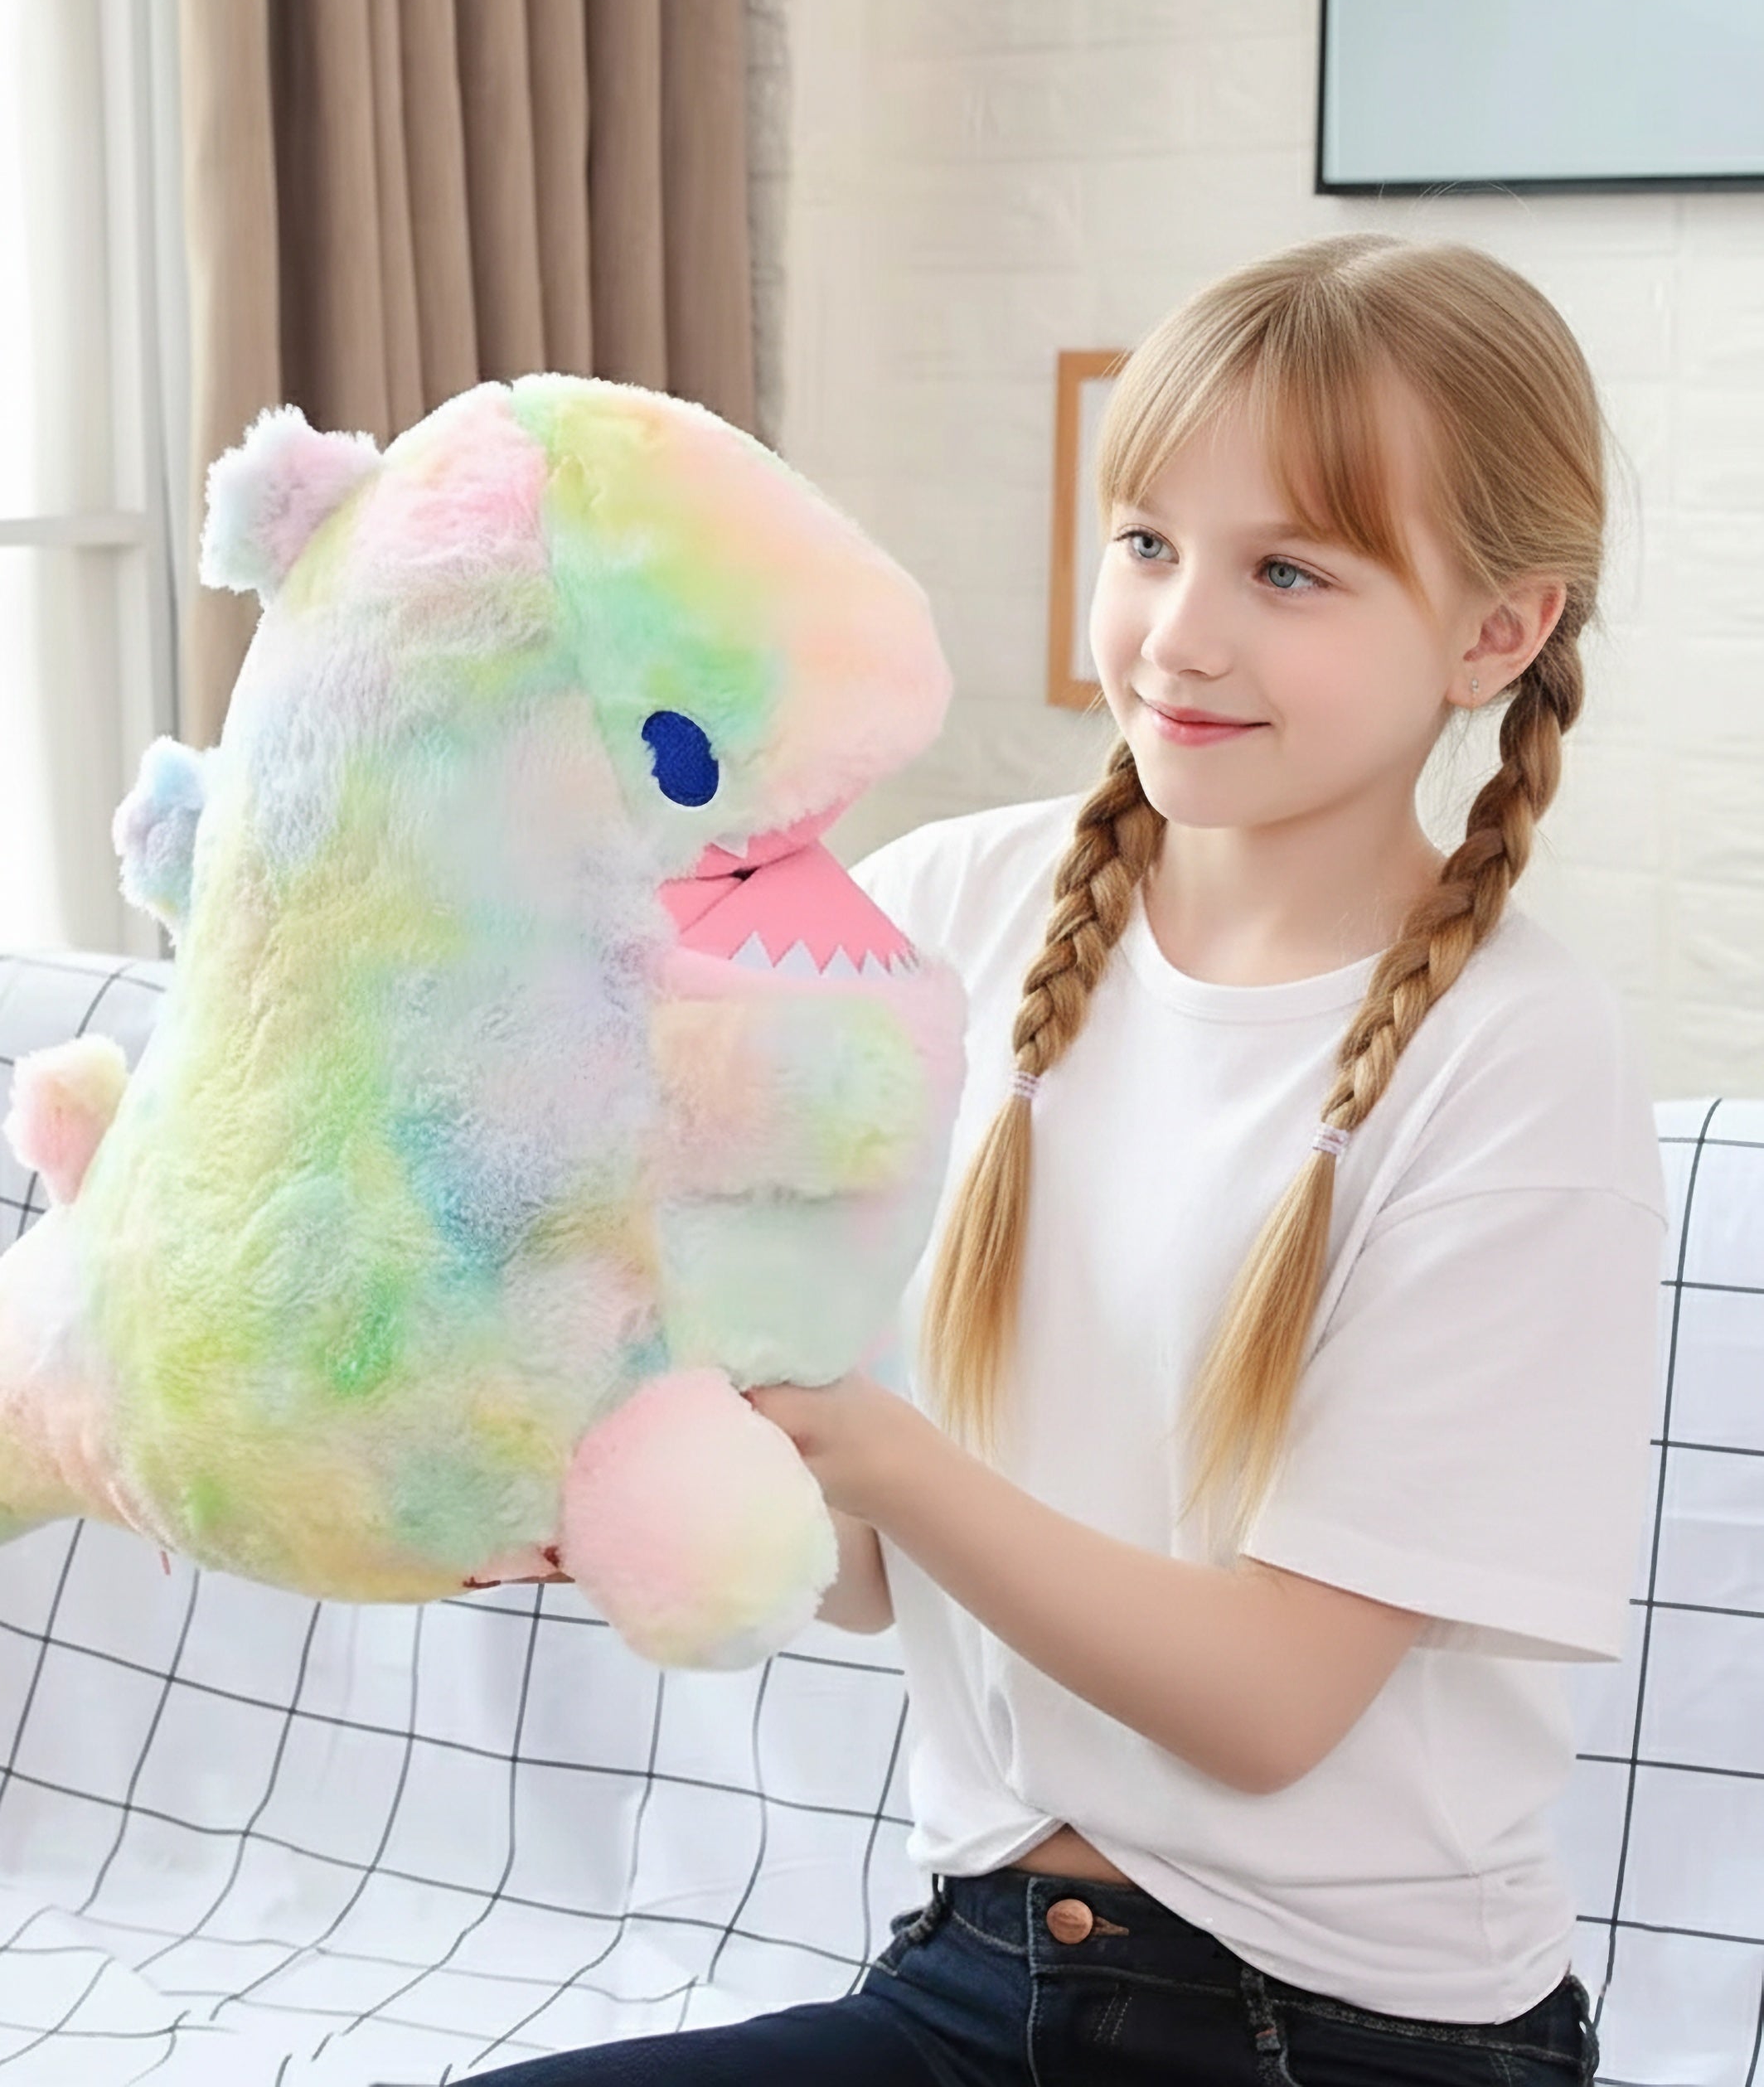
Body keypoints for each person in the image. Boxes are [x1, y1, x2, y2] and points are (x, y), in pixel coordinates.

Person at [475, 233, 1660, 2084]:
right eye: (1144, 541)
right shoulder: (944, 909)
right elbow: (864, 1570)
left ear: (1494, 630)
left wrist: (865, 1442)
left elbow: (1272, 1705)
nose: (1180, 631)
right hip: (978, 1971)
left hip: (1353, 2040)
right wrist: (617, 1462)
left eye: (1286, 568)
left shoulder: (1514, 1053)